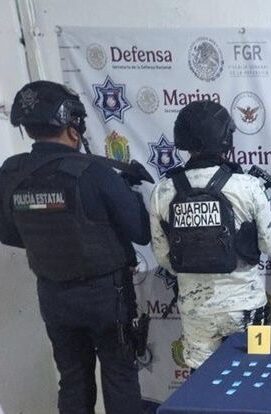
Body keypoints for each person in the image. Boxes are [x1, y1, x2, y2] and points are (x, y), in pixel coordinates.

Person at [0, 80, 150, 413]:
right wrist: (131, 193)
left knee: (73, 381)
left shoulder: (11, 173)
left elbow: (9, 235)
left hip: (54, 297)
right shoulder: (96, 172)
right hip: (106, 298)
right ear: (73, 126)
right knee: (119, 377)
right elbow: (141, 232)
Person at [149, 100, 271, 370]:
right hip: (245, 307)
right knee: (252, 378)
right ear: (226, 138)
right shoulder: (247, 186)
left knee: (203, 383)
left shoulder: (163, 191)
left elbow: (164, 258)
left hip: (197, 311)